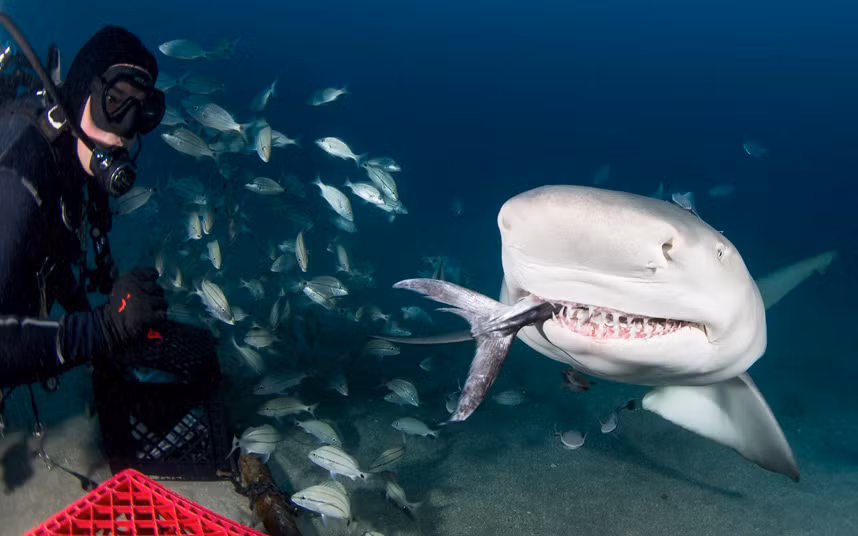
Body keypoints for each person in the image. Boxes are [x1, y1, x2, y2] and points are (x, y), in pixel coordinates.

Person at [0, 25, 168, 391]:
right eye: (115, 100)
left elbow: (48, 255)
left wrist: (105, 329)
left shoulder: (70, 159)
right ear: (81, 91)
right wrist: (103, 328)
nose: (124, 128)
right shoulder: (19, 172)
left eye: (141, 110)